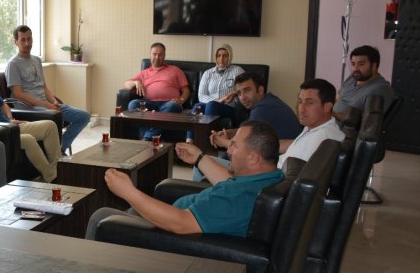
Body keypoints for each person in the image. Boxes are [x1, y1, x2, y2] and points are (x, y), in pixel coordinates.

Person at [85, 120, 283, 240]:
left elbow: (182, 224)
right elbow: (226, 182)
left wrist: (129, 192)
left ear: (253, 158)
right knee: (131, 211)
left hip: (172, 233)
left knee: (101, 216)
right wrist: (199, 158)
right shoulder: (267, 178)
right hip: (179, 216)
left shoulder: (240, 198)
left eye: (234, 146)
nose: (228, 149)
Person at [193, 72, 301, 181]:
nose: (242, 97)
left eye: (247, 90)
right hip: (277, 160)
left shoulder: (263, 108)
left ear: (260, 90)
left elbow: (244, 146)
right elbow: (249, 130)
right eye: (239, 93)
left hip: (275, 166)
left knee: (200, 164)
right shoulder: (269, 101)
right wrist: (228, 133)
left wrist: (224, 142)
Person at [5, 25, 91, 154]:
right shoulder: (13, 64)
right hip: (30, 108)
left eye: (29, 39)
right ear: (15, 42)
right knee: (55, 116)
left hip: (46, 105)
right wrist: (47, 105)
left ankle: (60, 149)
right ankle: (56, 151)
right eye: (23, 40)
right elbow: (18, 94)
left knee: (84, 116)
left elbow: (44, 87)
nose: (27, 43)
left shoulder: (36, 60)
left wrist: (54, 102)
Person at [124, 42, 190, 140]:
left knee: (173, 106)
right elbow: (126, 84)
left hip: (169, 104)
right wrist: (136, 82)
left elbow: (186, 90)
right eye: (154, 54)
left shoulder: (175, 70)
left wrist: (181, 99)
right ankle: (149, 138)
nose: (157, 57)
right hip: (149, 104)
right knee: (133, 104)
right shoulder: (144, 73)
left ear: (164, 56)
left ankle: (147, 138)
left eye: (160, 54)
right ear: (150, 55)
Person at [333, 45, 396, 119]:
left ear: (374, 66)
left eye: (361, 64)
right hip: (330, 120)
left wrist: (330, 114)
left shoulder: (381, 89)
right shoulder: (354, 77)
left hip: (341, 125)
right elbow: (338, 97)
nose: (355, 69)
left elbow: (365, 122)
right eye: (353, 64)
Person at [192, 43, 244, 121]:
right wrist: (217, 100)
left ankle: (208, 129)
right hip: (210, 105)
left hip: (228, 107)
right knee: (198, 107)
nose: (221, 58)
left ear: (230, 57)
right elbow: (201, 95)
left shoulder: (237, 70)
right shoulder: (208, 73)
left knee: (212, 105)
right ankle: (194, 129)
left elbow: (244, 88)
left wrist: (234, 93)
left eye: (225, 56)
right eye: (218, 56)